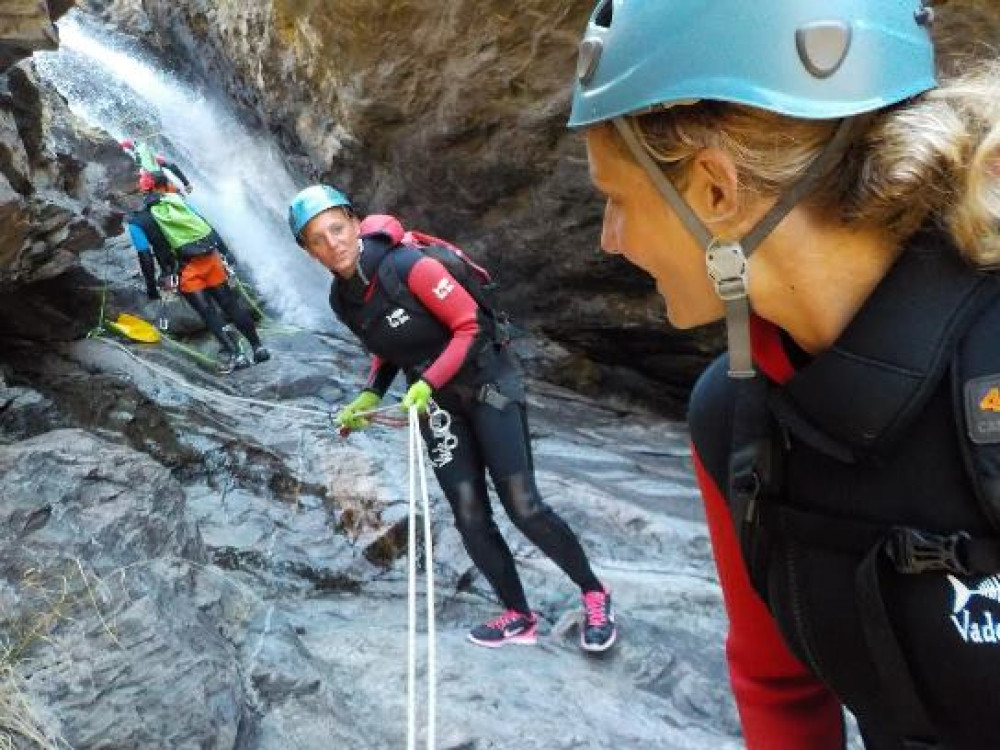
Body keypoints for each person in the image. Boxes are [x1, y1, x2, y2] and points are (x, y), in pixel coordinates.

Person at [569, 1, 1000, 748]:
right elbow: (778, 686)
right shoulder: (734, 425)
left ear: (714, 189)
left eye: (615, 199)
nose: (609, 241)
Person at [286, 185, 617, 652]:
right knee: (469, 515)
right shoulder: (343, 301)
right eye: (317, 239)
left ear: (355, 223)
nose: (332, 243)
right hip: (439, 406)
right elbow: (386, 352)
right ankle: (518, 615)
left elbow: (469, 325)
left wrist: (428, 381)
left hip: (489, 386)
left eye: (336, 228)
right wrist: (367, 396)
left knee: (523, 506)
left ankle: (594, 593)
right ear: (307, 250)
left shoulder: (408, 266)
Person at [127, 169, 269, 373]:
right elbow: (205, 225)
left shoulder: (136, 221)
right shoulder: (176, 202)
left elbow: (145, 256)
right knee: (229, 302)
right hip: (210, 258)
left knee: (207, 312)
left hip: (184, 270)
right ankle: (258, 347)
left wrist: (152, 288)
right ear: (160, 186)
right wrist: (225, 251)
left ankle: (237, 356)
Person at [120, 138, 193, 194]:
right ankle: (177, 191)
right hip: (152, 178)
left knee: (167, 169)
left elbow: (171, 166)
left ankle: (181, 189)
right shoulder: (138, 157)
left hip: (154, 176)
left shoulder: (143, 154)